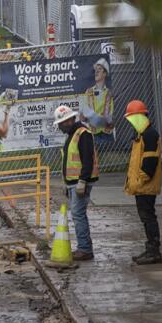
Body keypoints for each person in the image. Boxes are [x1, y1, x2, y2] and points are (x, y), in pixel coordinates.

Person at [122, 100, 162, 265]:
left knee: (148, 217)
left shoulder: (149, 135)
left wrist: (140, 180)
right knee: (146, 217)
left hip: (145, 187)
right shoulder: (143, 135)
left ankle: (153, 251)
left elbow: (149, 163)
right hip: (142, 186)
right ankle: (151, 250)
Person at [56, 104, 97, 262]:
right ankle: (84, 248)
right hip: (74, 183)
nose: (59, 128)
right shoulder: (74, 134)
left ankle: (85, 249)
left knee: (78, 214)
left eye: (60, 124)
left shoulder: (82, 134)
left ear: (67, 121)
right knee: (78, 214)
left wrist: (82, 181)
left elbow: (87, 159)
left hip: (80, 182)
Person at [80, 57, 115, 142]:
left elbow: (111, 117)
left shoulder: (109, 93)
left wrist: (93, 117)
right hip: (92, 135)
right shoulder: (88, 92)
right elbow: (82, 116)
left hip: (107, 134)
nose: (96, 71)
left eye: (100, 69)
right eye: (96, 69)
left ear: (105, 73)